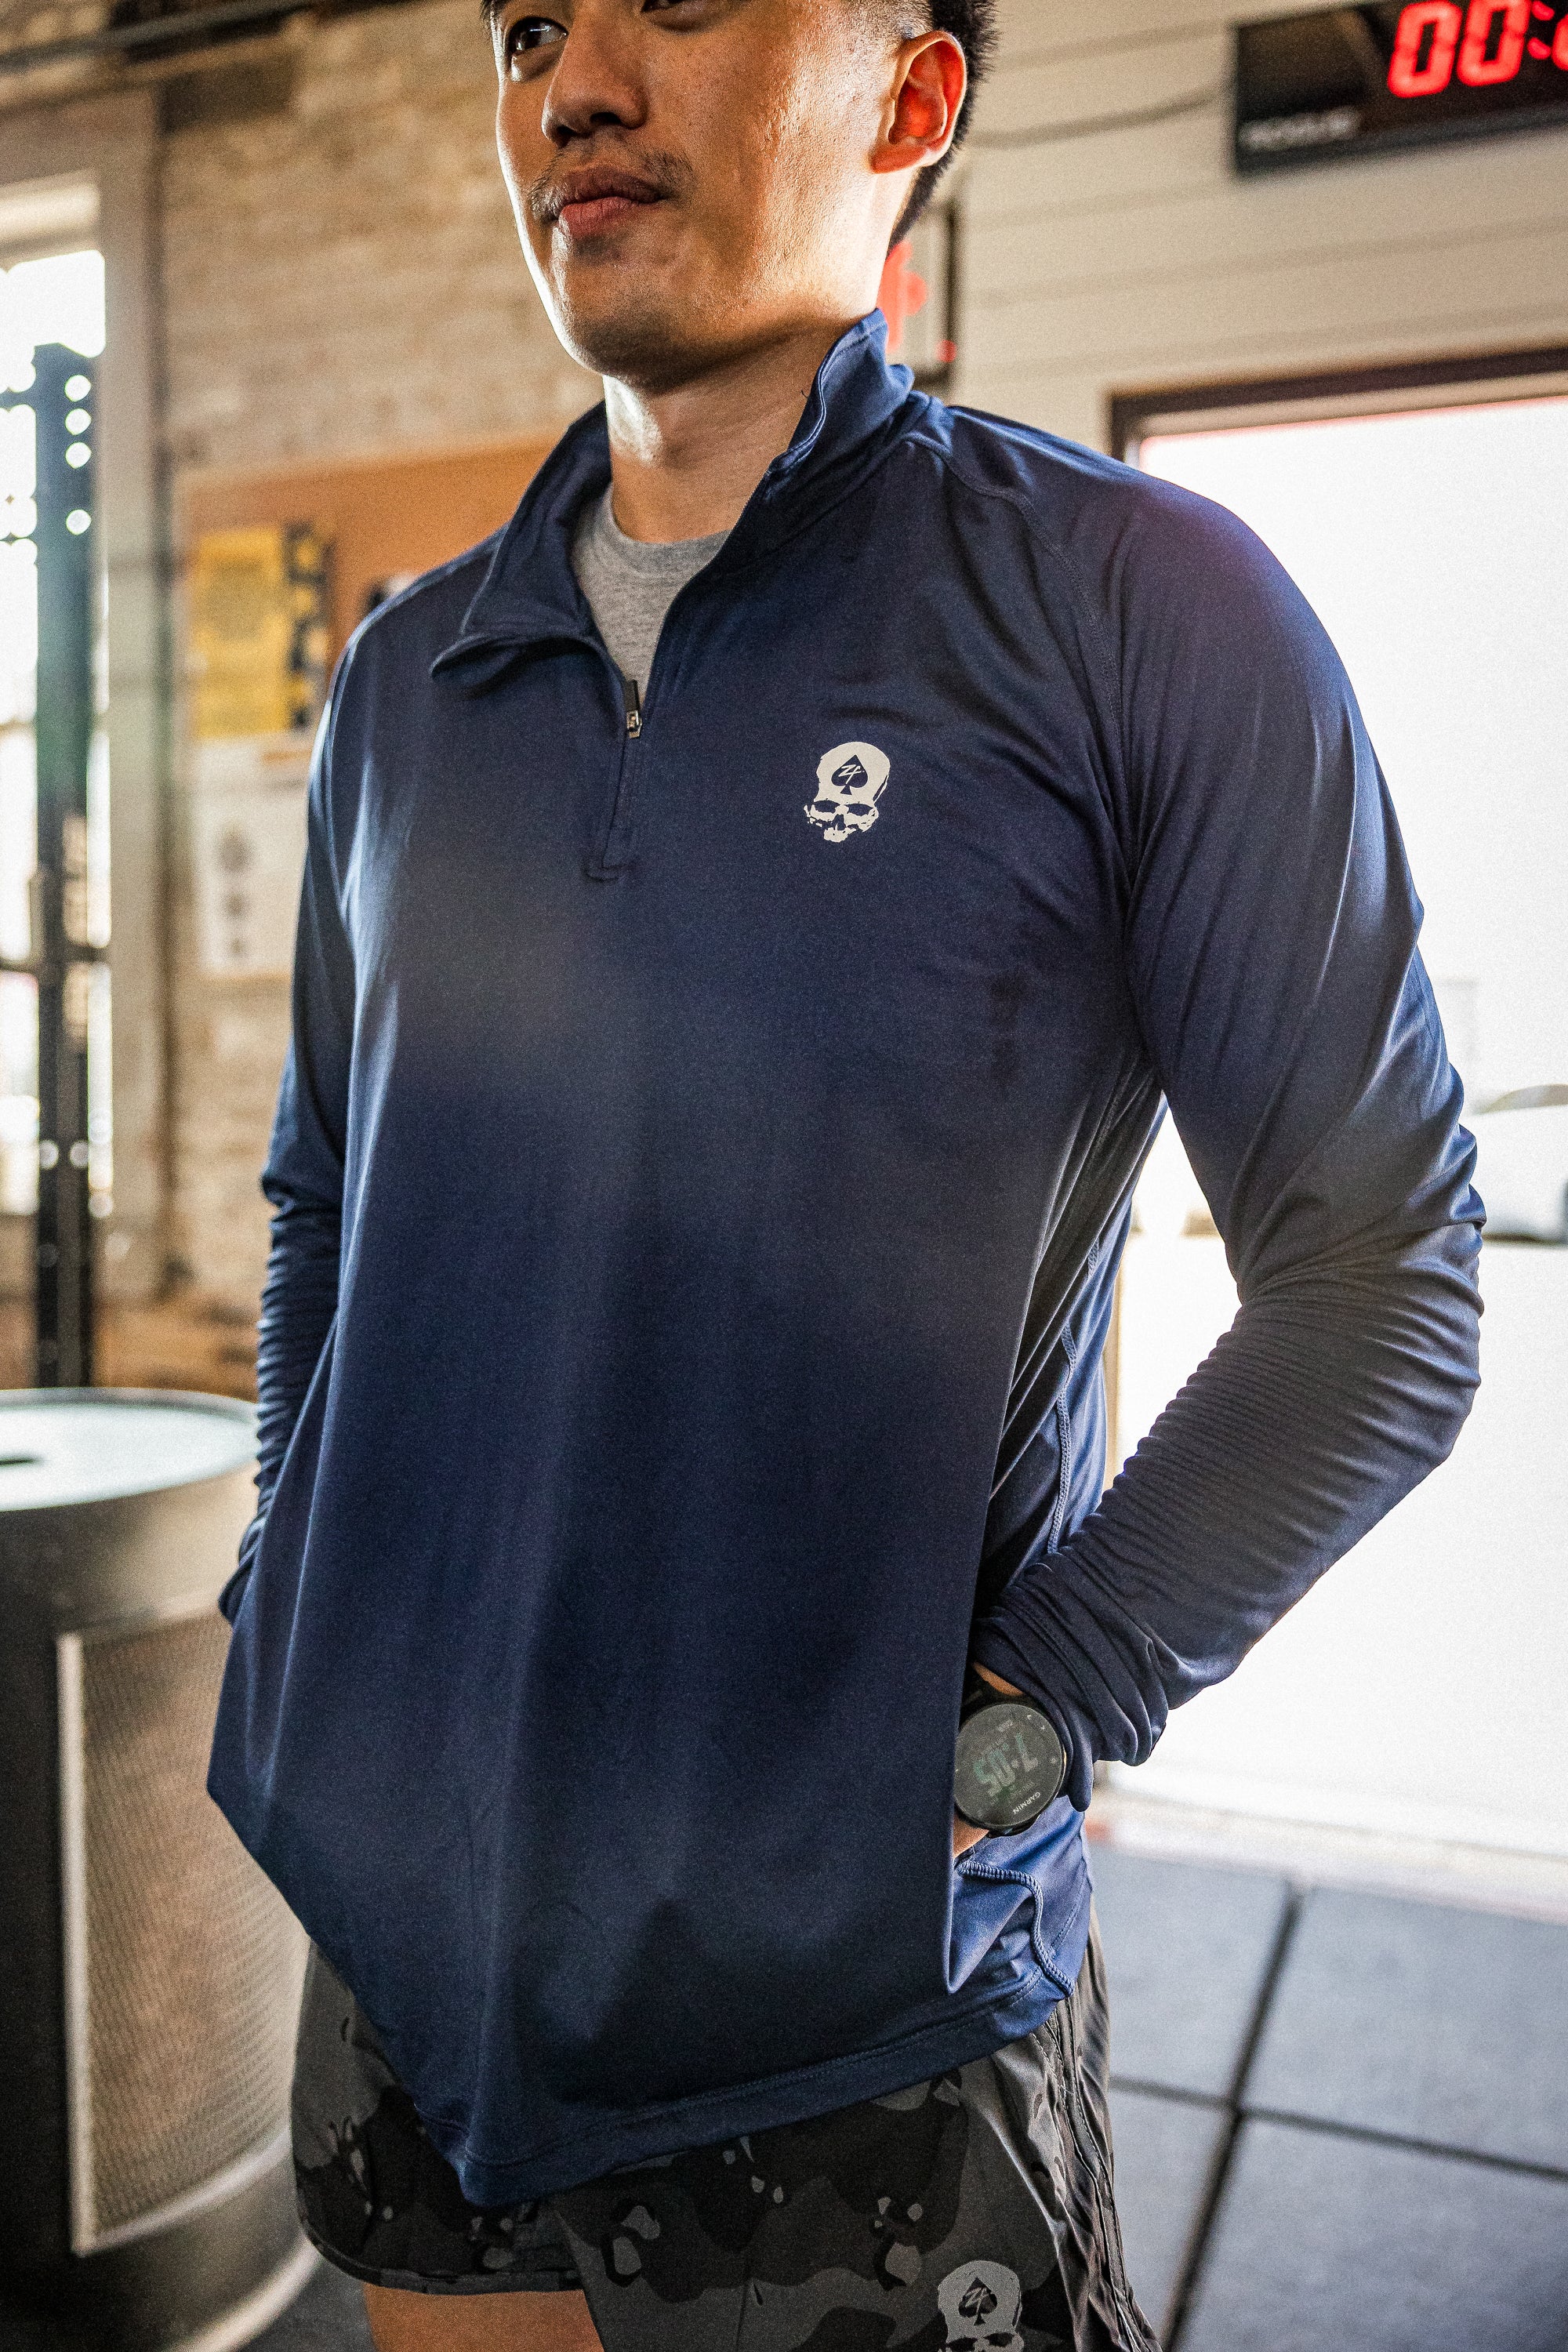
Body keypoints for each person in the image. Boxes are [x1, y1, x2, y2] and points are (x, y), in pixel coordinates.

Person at [208, 0, 1483, 2345]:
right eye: (526, 27)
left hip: (843, 2001)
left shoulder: (1136, 610)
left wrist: (1038, 1706)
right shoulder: (406, 685)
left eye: (678, 4)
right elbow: (324, 1201)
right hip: (407, 1928)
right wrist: (298, 1590)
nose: (574, 86)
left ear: (910, 95)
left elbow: (1382, 1283)